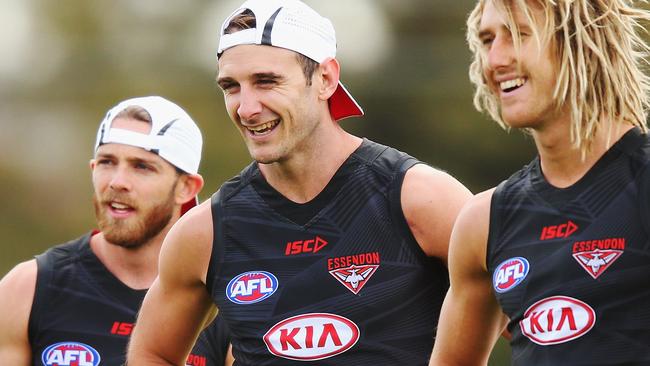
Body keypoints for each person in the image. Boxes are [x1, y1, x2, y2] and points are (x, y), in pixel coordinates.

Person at [126, 0, 472, 365]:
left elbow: (524, 318)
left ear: (325, 79)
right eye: (231, 87)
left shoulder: (419, 198)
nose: (246, 108)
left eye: (266, 82)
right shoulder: (206, 232)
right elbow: (154, 353)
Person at [429, 0, 650, 365]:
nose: (495, 60)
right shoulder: (483, 222)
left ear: (580, 41)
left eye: (518, 35)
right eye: (487, 40)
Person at [0, 96, 233, 366]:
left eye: (142, 166)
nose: (117, 182)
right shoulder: (28, 288)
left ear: (186, 188)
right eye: (107, 162)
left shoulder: (227, 299)